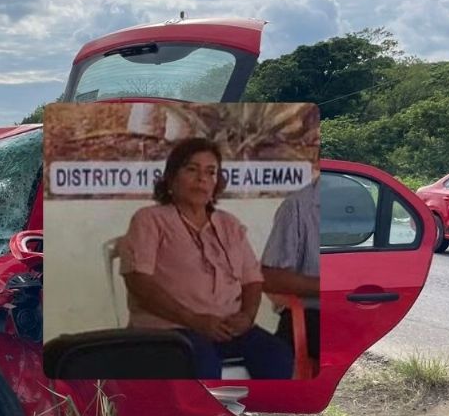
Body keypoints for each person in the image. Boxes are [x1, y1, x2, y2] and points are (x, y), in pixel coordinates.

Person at [118, 138, 294, 379]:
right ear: (171, 178)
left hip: (228, 328)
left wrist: (246, 317)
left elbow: (252, 279)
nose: (202, 179)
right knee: (200, 364)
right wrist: (194, 320)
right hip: (169, 330)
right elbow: (139, 283)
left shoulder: (228, 224)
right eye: (191, 169)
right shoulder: (150, 219)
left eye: (210, 172)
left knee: (277, 354)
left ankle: (257, 415)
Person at [262, 160, 321, 361]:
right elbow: (271, 278)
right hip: (312, 312)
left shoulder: (357, 201)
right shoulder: (297, 206)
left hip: (353, 309)